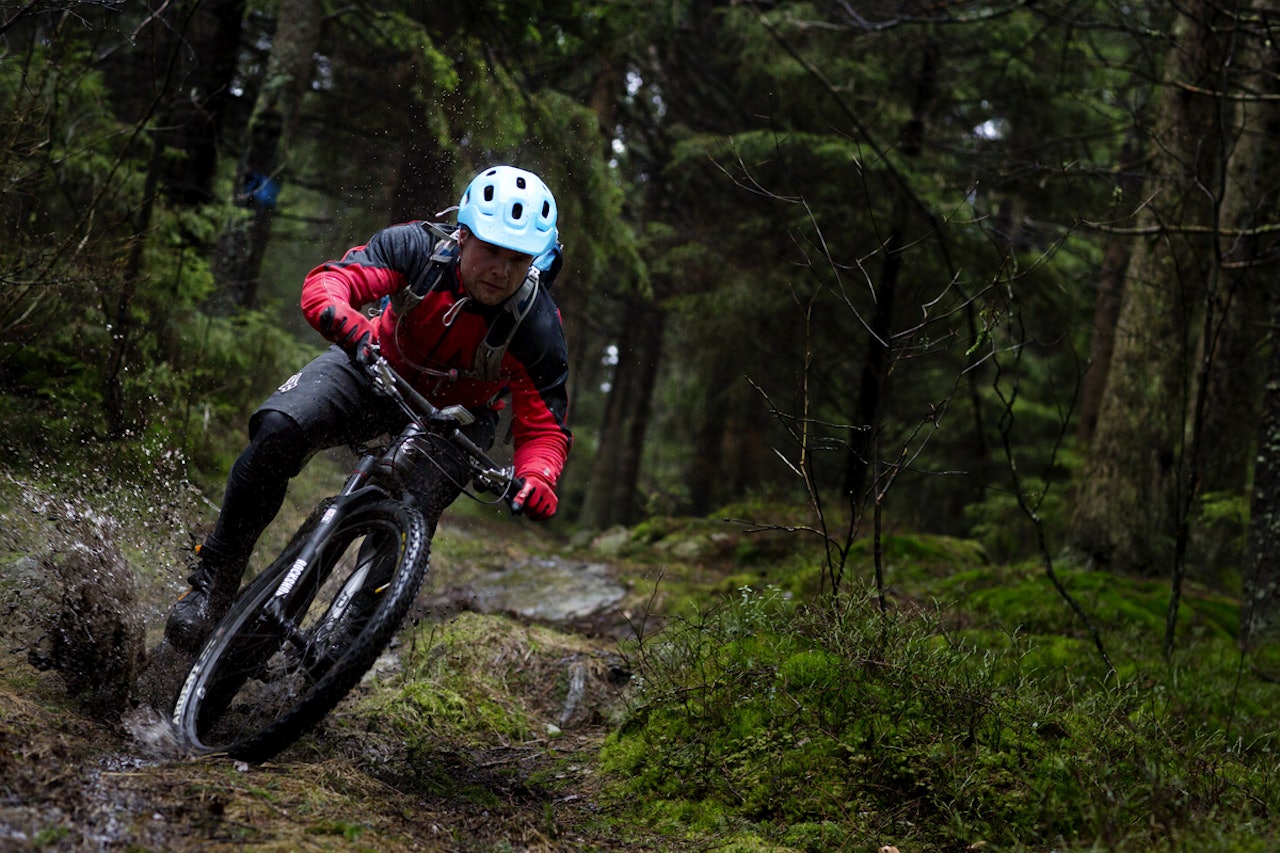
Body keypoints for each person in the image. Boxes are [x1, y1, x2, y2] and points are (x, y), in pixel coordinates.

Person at [163, 165, 572, 653]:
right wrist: (351, 327)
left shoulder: (539, 326)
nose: (501, 271)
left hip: (457, 422)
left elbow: (544, 428)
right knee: (279, 430)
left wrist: (539, 477)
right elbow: (331, 284)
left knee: (414, 508)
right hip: (372, 367)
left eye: (518, 260)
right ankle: (213, 582)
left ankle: (350, 636)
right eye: (491, 251)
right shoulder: (416, 249)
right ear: (463, 235)